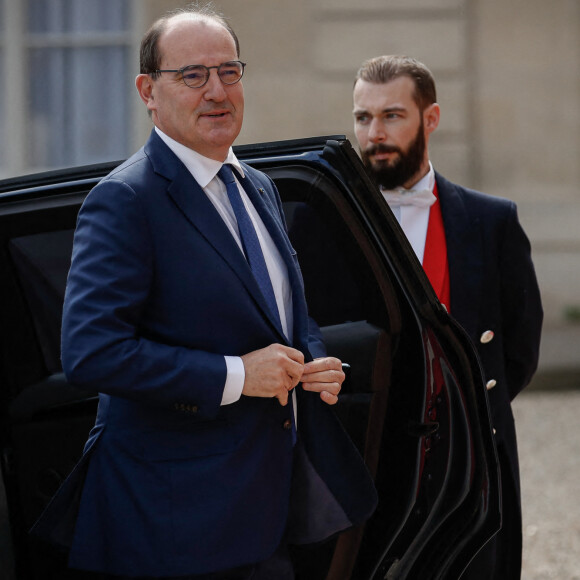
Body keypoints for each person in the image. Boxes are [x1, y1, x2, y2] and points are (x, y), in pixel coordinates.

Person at [31, 5, 377, 579]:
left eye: (230, 72)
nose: (217, 90)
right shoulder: (126, 200)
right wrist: (238, 376)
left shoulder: (259, 185)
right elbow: (92, 353)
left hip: (268, 506)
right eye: (193, 75)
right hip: (174, 524)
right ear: (149, 90)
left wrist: (312, 360)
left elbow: (280, 315)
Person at [352, 55, 543, 579]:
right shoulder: (330, 221)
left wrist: (464, 412)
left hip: (470, 457)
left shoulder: (490, 221)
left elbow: (519, 350)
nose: (375, 133)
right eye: (363, 118)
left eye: (392, 115)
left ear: (429, 119)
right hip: (370, 456)